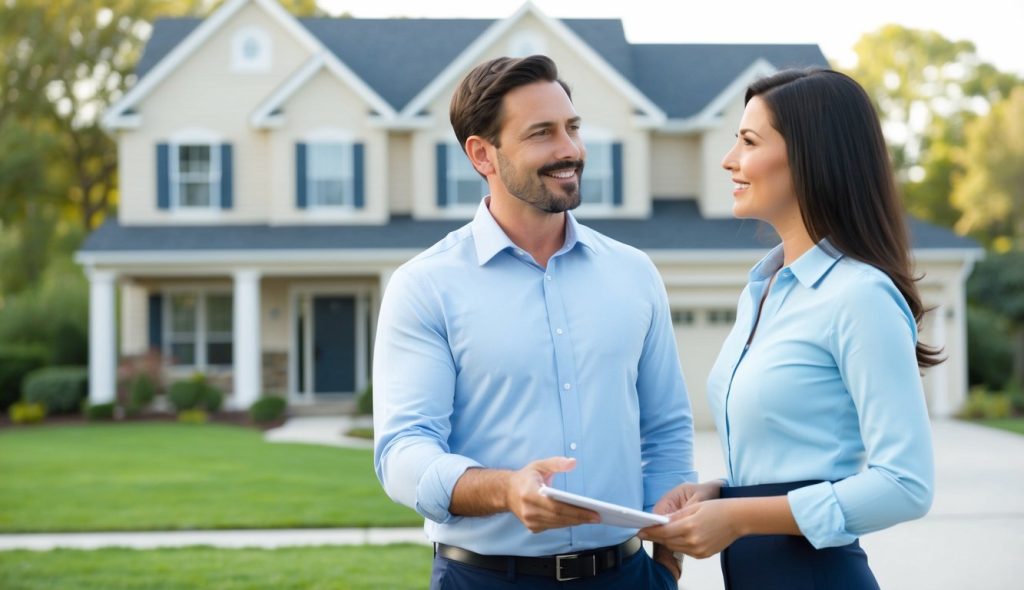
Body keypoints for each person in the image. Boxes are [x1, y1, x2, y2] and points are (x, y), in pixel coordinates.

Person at [372, 55, 696, 589]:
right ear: (483, 154)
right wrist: (505, 489)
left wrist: (666, 567)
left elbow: (666, 429)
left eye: (572, 128)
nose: (569, 149)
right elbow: (403, 452)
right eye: (542, 133)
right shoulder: (426, 285)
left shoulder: (633, 273)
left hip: (627, 576)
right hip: (483, 579)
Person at [639, 68, 937, 589]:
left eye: (749, 141)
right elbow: (786, 454)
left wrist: (740, 517)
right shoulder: (762, 290)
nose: (729, 160)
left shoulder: (858, 295)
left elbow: (906, 484)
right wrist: (720, 494)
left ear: (810, 157)